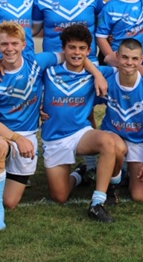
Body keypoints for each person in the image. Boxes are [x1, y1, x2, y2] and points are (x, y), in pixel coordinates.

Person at [0, 22, 62, 230]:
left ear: (24, 44)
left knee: (11, 201)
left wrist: (96, 73)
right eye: (4, 44)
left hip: (29, 134)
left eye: (14, 43)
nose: (9, 48)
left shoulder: (36, 63)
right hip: (1, 133)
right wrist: (16, 138)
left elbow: (67, 55)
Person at [42, 24, 126, 223]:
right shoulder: (48, 72)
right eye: (72, 47)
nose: (76, 52)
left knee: (113, 145)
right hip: (54, 138)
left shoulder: (100, 73)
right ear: (64, 48)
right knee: (60, 196)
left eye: (82, 48)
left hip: (81, 134)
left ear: (89, 51)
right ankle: (81, 174)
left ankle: (98, 202)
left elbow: (128, 68)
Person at [101, 38, 143, 202]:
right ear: (117, 56)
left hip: (138, 140)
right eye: (125, 57)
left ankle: (124, 172)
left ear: (141, 60)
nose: (129, 62)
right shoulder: (107, 78)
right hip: (113, 137)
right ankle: (114, 180)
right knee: (117, 147)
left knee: (140, 196)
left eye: (134, 58)